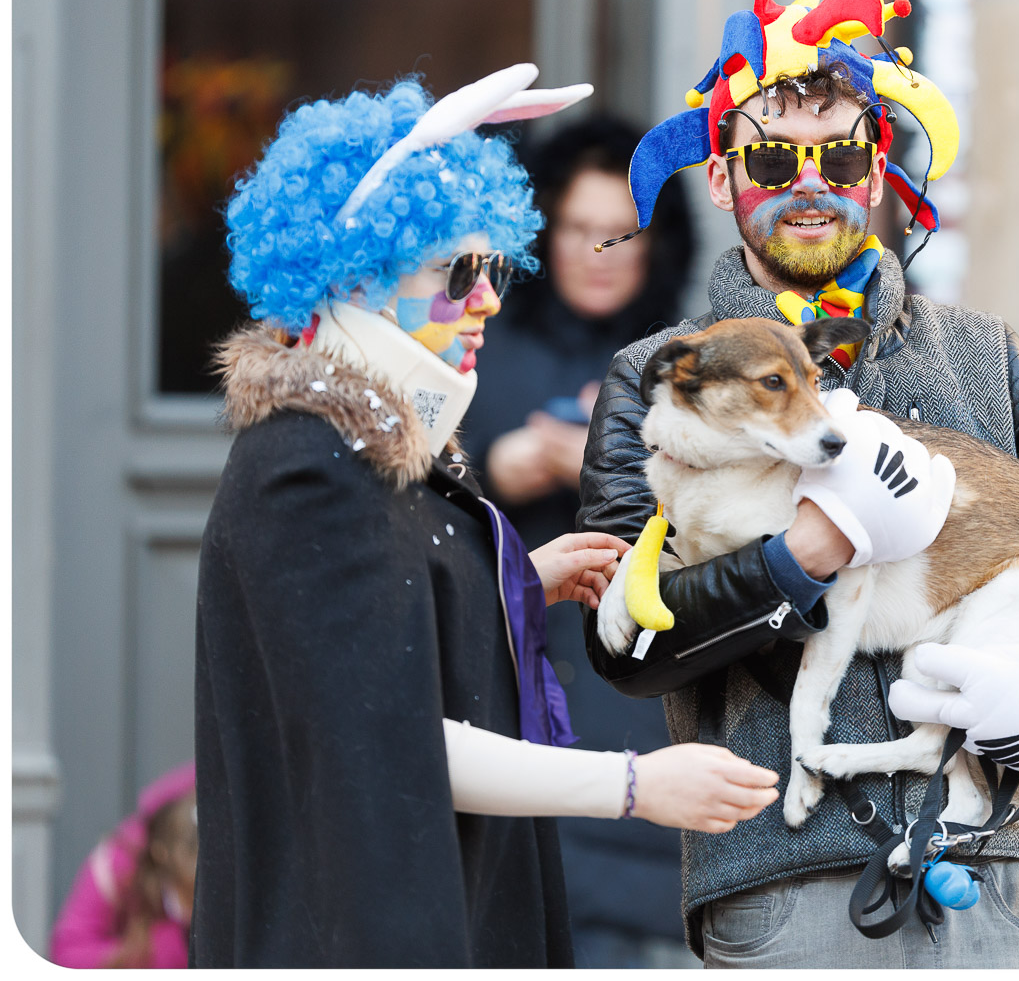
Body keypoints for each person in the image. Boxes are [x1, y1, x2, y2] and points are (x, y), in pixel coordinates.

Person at [576, 0, 1019, 967]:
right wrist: (797, 559)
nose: (810, 185)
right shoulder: (655, 377)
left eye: (839, 157)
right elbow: (625, 645)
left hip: (1001, 879)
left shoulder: (988, 357)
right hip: (781, 889)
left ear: (876, 172)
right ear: (723, 175)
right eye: (772, 159)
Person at [193, 66, 780, 968]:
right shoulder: (307, 462)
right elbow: (388, 738)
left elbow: (391, 630)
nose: (488, 300)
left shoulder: (368, 447)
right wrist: (635, 785)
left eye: (493, 267)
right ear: (356, 275)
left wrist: (517, 585)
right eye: (457, 271)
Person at [461, 114, 699, 968]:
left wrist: (616, 471)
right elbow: (413, 521)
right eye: (576, 229)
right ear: (542, 233)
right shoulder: (475, 348)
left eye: (619, 234)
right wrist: (496, 468)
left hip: (645, 712)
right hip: (510, 711)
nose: (598, 253)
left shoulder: (691, 358)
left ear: (656, 242)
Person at [51, 764, 197, 968]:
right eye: (187, 895)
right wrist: (142, 956)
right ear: (160, 854)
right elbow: (67, 951)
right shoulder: (120, 863)